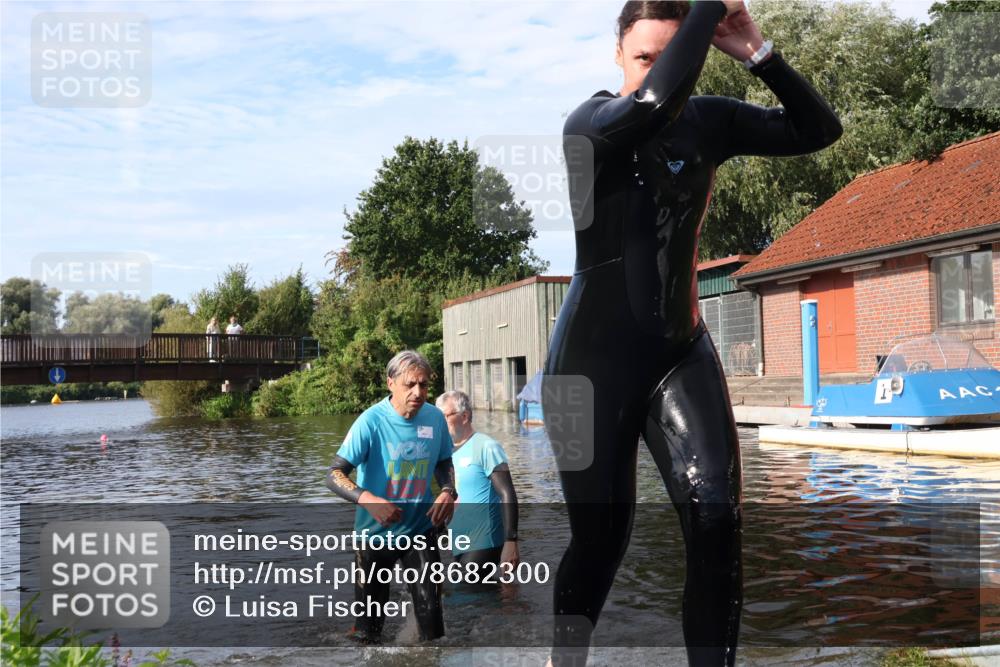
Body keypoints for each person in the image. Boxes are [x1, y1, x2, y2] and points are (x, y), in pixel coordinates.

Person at [543, 2, 842, 666]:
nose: (660, 71)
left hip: (680, 350)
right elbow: (652, 103)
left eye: (671, 56)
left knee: (717, 520)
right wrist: (708, 6)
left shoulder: (708, 121)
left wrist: (758, 52)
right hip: (589, 367)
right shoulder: (590, 124)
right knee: (601, 541)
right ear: (617, 55)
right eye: (644, 57)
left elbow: (819, 129)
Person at [326, 350, 457, 643]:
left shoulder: (435, 418)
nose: (418, 392)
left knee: (433, 626)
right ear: (390, 383)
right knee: (368, 632)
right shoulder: (371, 421)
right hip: (374, 537)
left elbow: (443, 461)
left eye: (423, 385)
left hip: (420, 530)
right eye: (410, 384)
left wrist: (448, 490)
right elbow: (334, 474)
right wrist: (369, 500)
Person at [435, 390, 519, 569]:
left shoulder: (486, 446)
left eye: (444, 417)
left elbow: (507, 494)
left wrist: (511, 541)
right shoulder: (444, 454)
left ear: (464, 416)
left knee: (463, 586)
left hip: (486, 540)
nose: (439, 424)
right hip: (459, 541)